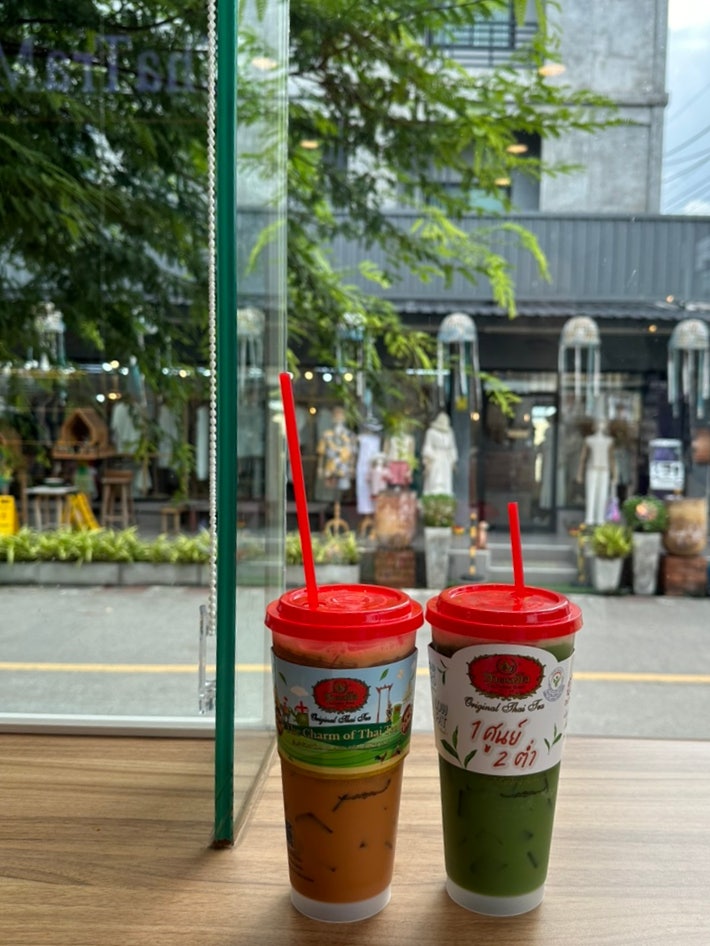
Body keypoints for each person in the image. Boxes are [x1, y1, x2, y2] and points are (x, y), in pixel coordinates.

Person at [576, 419, 615, 525]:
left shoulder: (609, 441)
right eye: (598, 423)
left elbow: (611, 458)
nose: (601, 425)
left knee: (602, 495)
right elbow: (583, 458)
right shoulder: (589, 440)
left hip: (604, 470)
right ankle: (589, 518)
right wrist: (579, 473)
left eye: (603, 423)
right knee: (590, 494)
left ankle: (600, 519)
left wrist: (614, 474)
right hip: (591, 469)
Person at [421, 411, 458, 496]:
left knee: (445, 477)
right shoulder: (431, 432)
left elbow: (452, 447)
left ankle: (445, 493)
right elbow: (428, 445)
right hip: (435, 456)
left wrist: (453, 459)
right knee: (434, 476)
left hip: (446, 458)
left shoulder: (450, 433)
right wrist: (428, 458)